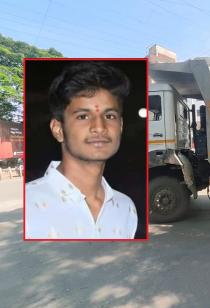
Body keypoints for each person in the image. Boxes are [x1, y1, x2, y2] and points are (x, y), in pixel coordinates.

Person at [25, 62, 138, 239]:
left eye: (109, 116)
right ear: (58, 129)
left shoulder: (126, 208)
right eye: (83, 116)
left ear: (121, 126)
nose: (99, 127)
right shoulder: (30, 205)